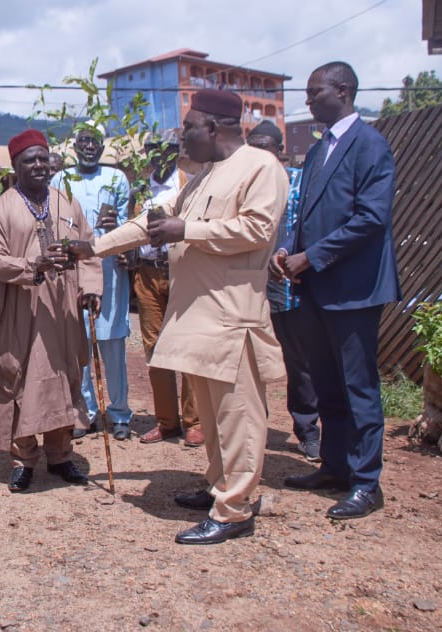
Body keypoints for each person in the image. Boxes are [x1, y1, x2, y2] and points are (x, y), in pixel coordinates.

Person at [70, 90, 287, 543]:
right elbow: (152, 222)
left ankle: (235, 511)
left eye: (188, 127)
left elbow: (257, 229)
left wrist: (187, 230)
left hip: (233, 316)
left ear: (215, 126)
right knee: (211, 418)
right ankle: (219, 488)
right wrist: (93, 247)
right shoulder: (201, 176)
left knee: (238, 417)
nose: (182, 136)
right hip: (200, 316)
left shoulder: (262, 168)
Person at [275, 62, 401, 520]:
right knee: (326, 382)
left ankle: (367, 482)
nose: (307, 101)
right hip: (314, 287)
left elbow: (371, 219)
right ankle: (334, 466)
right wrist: (289, 248)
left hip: (354, 290)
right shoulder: (316, 151)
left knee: (358, 387)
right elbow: (303, 214)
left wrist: (313, 256)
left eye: (314, 92)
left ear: (343, 91)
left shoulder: (370, 145)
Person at [0, 128, 103, 493]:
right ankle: (23, 459)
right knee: (19, 377)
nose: (38, 165)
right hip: (23, 305)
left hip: (63, 308)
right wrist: (33, 264)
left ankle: (61, 455)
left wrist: (91, 288)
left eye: (42, 158)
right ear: (15, 166)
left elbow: (89, 248)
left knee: (64, 375)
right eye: (28, 160)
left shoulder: (65, 202)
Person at [52, 126, 133, 440]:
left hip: (109, 269)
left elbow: (129, 226)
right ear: (74, 146)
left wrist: (117, 225)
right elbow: (55, 221)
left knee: (112, 342)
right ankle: (84, 412)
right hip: (74, 270)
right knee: (79, 345)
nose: (89, 146)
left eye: (94, 141)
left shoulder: (116, 179)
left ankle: (120, 413)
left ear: (102, 146)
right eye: (83, 140)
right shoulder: (61, 180)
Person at [247, 120, 320, 462]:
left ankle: (307, 429)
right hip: (250, 287)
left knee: (300, 361)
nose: (258, 154)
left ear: (279, 150)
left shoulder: (301, 183)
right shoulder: (244, 183)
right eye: (252, 147)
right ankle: (250, 430)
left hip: (291, 286)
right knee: (250, 362)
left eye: (265, 147)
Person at [128, 130, 202, 447]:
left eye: (167, 150)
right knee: (155, 349)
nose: (160, 156)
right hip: (146, 275)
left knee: (187, 346)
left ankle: (194, 421)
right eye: (153, 150)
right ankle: (166, 421)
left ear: (177, 152)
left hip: (180, 273)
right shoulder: (140, 190)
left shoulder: (191, 185)